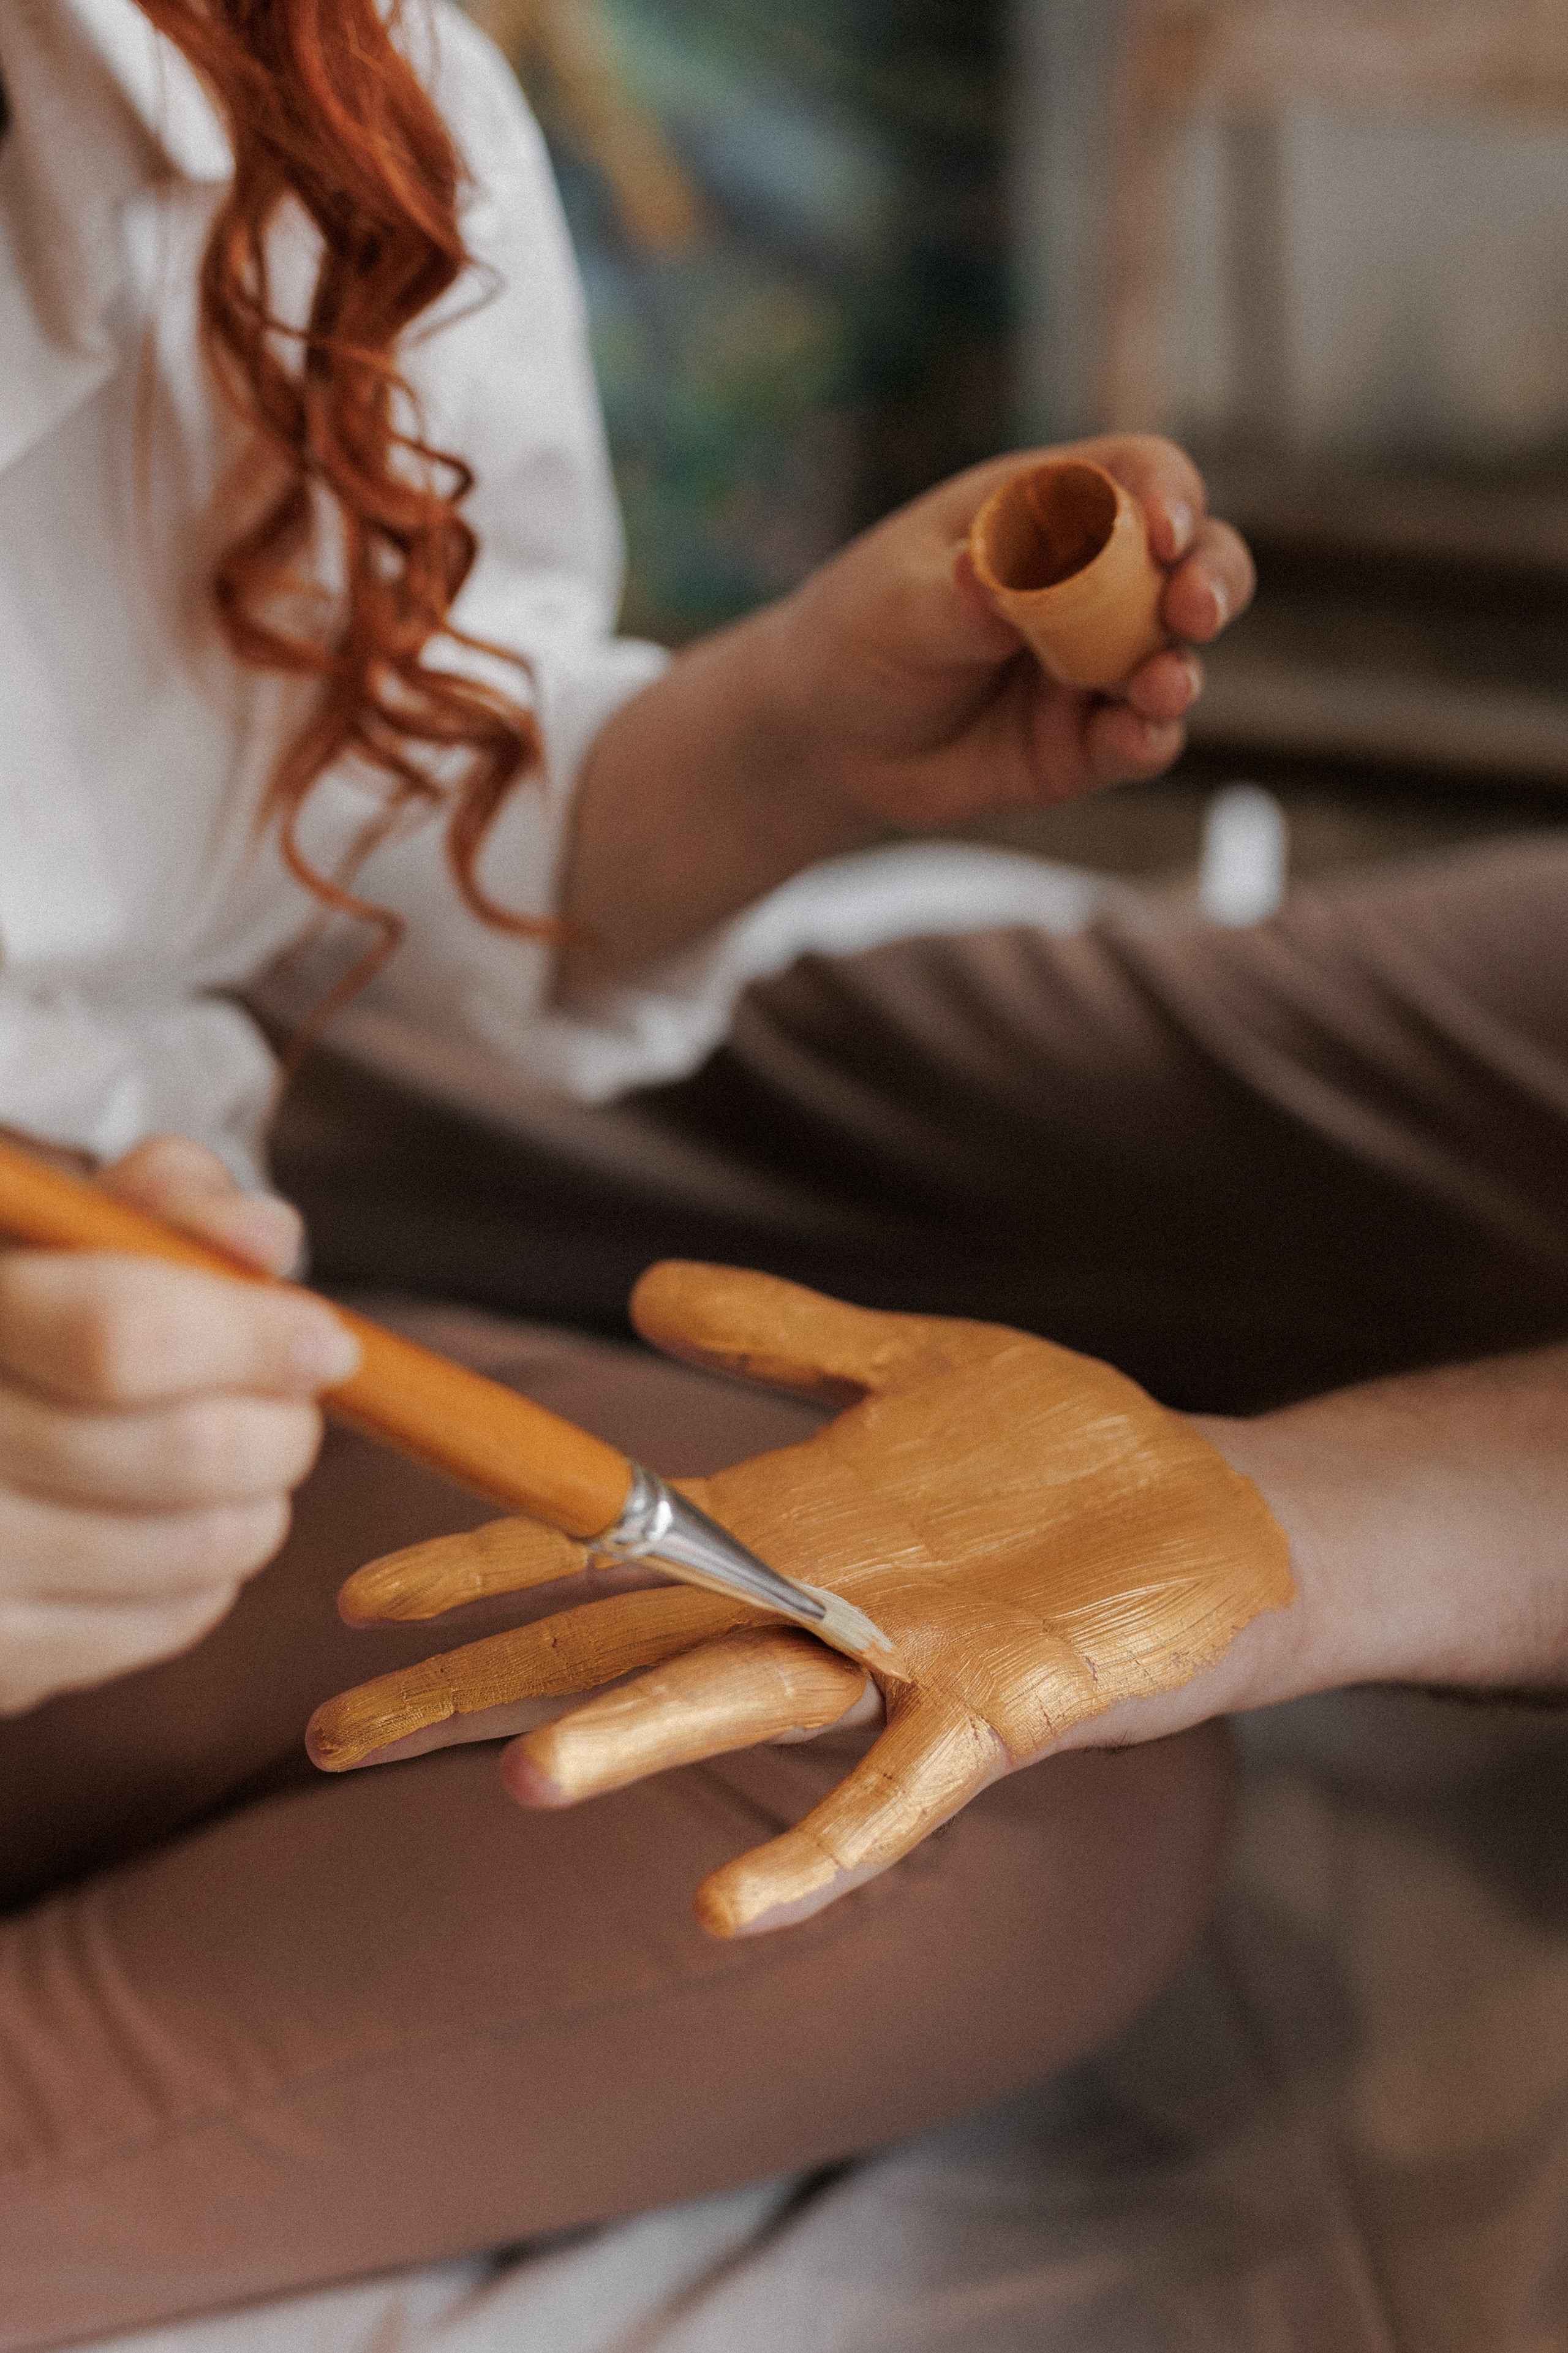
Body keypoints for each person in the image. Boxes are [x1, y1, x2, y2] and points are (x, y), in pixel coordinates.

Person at [0, 1, 1255, 2341]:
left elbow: (397, 798)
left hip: (121, 1402)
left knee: (999, 1757)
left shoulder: (331, 88)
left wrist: (784, 739)